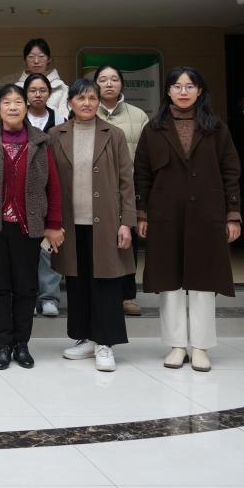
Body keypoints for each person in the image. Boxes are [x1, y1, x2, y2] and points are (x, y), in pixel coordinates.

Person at [135, 66, 241, 373]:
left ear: (200, 91)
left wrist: (232, 215)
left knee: (203, 281)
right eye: (177, 86)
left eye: (190, 86)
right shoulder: (153, 129)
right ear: (168, 91)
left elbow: (231, 172)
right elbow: (141, 173)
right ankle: (176, 345)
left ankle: (201, 347)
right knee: (169, 283)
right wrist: (141, 213)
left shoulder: (216, 128)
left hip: (207, 213)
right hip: (165, 214)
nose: (183, 91)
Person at [0, 83, 65, 371]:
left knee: (26, 287)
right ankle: (3, 345)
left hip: (28, 226)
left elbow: (54, 186)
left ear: (26, 106)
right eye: (6, 102)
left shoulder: (41, 141)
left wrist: (54, 224)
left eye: (18, 101)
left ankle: (22, 344)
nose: (13, 107)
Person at [48, 79, 137, 372]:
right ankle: (86, 337)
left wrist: (126, 222)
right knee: (77, 281)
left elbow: (126, 182)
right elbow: (49, 181)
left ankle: (105, 342)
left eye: (91, 98)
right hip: (71, 224)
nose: (86, 103)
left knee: (106, 282)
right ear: (70, 103)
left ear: (98, 102)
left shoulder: (114, 134)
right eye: (80, 98)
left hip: (107, 222)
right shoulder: (56, 135)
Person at [94, 64, 150, 317]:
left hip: (128, 189)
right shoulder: (86, 112)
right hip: (95, 190)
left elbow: (146, 157)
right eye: (103, 79)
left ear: (122, 84)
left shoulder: (138, 116)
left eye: (114, 79)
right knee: (97, 244)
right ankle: (99, 295)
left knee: (127, 243)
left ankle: (128, 296)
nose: (109, 84)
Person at [23, 71, 64, 318]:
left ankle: (49, 296)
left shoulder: (59, 117)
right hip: (21, 192)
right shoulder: (18, 116)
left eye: (42, 90)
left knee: (49, 246)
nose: (37, 94)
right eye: (32, 90)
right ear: (25, 93)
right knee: (25, 249)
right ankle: (27, 296)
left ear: (49, 93)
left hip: (49, 187)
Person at [16, 38, 69, 117]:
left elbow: (65, 117)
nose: (36, 61)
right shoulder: (17, 88)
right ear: (25, 60)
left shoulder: (61, 87)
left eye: (41, 56)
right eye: (31, 56)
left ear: (49, 59)